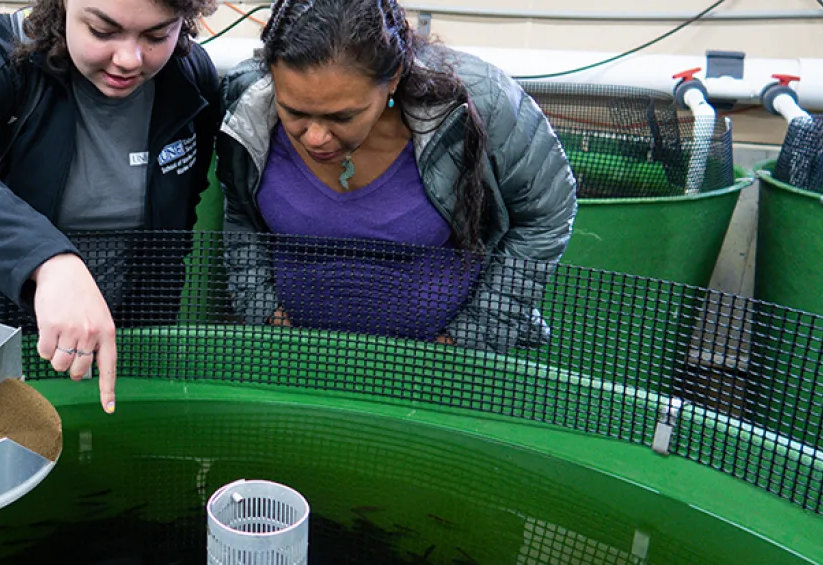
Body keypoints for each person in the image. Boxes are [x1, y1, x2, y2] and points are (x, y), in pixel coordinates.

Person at [0, 0, 222, 413]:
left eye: (156, 35)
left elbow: (185, 200)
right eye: (102, 31)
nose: (128, 59)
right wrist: (49, 260)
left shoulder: (192, 79)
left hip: (130, 333)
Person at [218, 0, 577, 353]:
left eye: (342, 117)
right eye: (293, 111)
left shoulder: (479, 100)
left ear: (392, 79)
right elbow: (240, 214)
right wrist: (264, 313)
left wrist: (469, 339)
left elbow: (545, 216)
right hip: (295, 362)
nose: (314, 137)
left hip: (444, 373)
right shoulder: (249, 101)